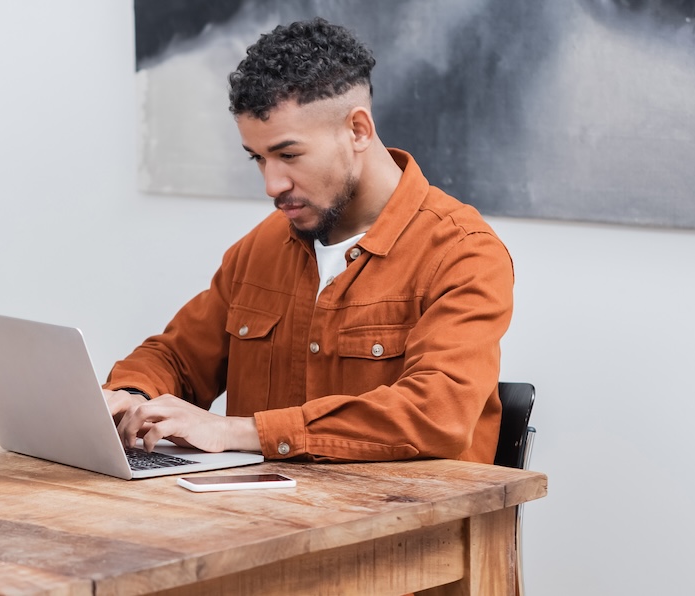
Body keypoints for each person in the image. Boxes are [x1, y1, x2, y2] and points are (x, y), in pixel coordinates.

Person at [106, 18, 515, 464]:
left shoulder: (463, 252)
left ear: (358, 130)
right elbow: (179, 357)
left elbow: (435, 414)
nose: (272, 184)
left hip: (404, 528)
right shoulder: (261, 247)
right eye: (258, 158)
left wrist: (238, 430)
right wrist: (131, 394)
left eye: (288, 154)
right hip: (265, 522)